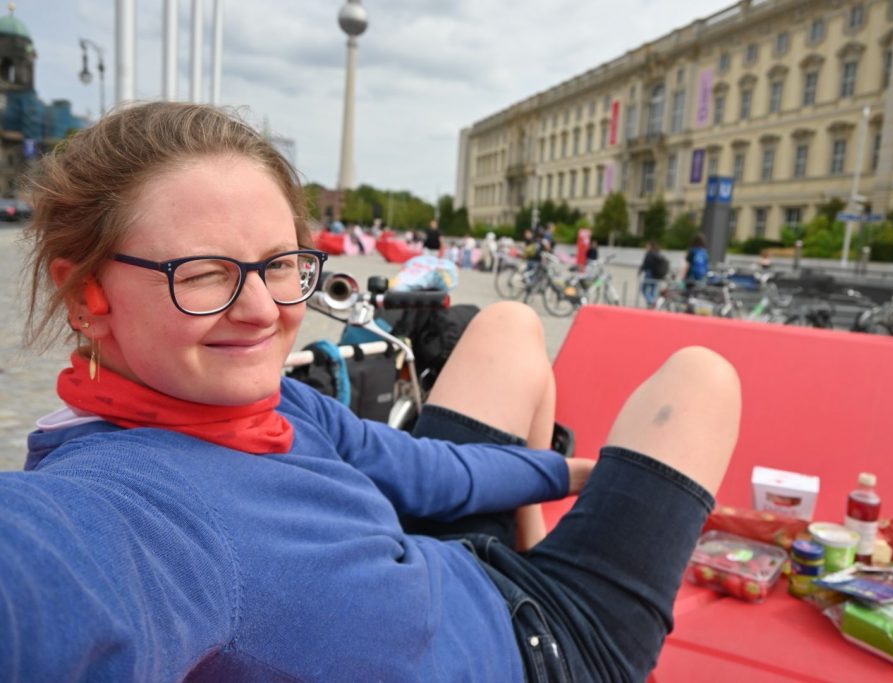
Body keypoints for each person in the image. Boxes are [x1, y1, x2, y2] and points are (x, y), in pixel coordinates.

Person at [3, 102, 740, 682]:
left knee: (511, 324)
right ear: (86, 295)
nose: (261, 310)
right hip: (540, 650)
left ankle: (536, 546)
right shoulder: (137, 510)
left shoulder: (264, 399)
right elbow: (42, 580)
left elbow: (425, 469)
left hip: (450, 569)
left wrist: (575, 474)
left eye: (279, 264)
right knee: (704, 378)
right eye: (200, 274)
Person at [639, 241, 670, 308]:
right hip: (657, 275)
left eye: (647, 246)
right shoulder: (657, 253)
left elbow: (646, 264)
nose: (646, 247)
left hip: (649, 273)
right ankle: (652, 303)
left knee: (643, 289)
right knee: (653, 290)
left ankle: (651, 302)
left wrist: (640, 270)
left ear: (650, 246)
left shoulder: (649, 254)